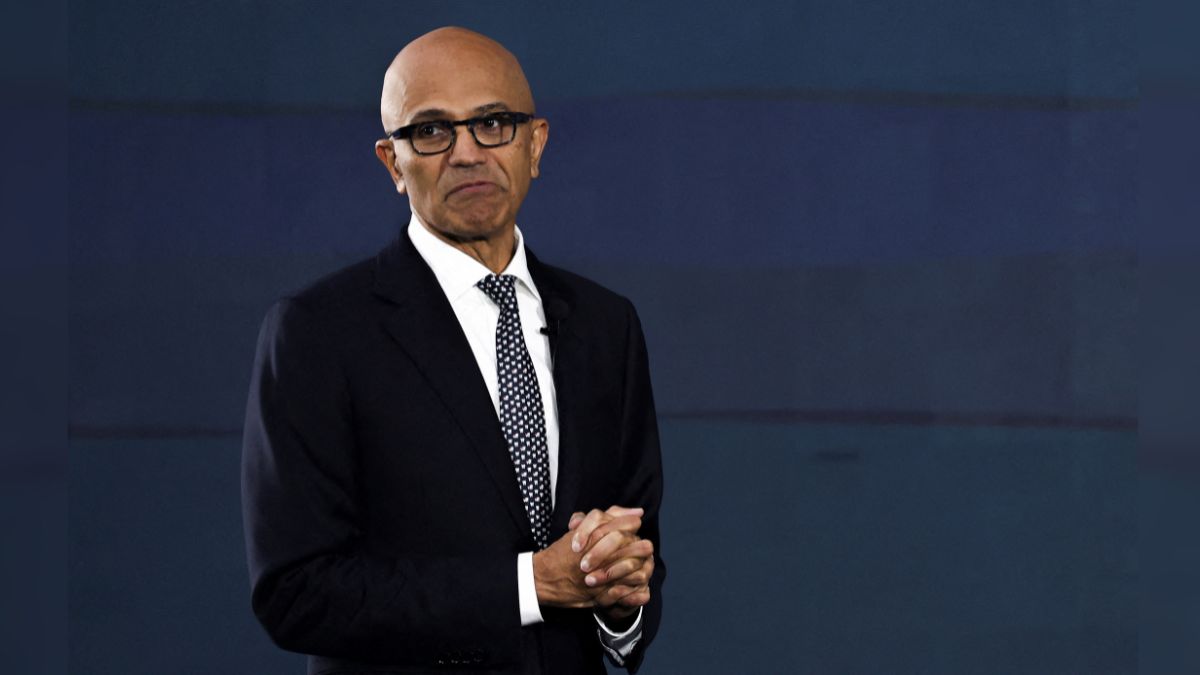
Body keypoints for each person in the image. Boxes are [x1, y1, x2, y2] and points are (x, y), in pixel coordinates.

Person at [241, 26, 664, 674]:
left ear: (535, 143)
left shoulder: (606, 326)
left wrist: (619, 598)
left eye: (493, 122)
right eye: (433, 131)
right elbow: (297, 593)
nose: (468, 152)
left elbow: (637, 550)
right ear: (393, 162)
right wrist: (531, 584)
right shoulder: (318, 332)